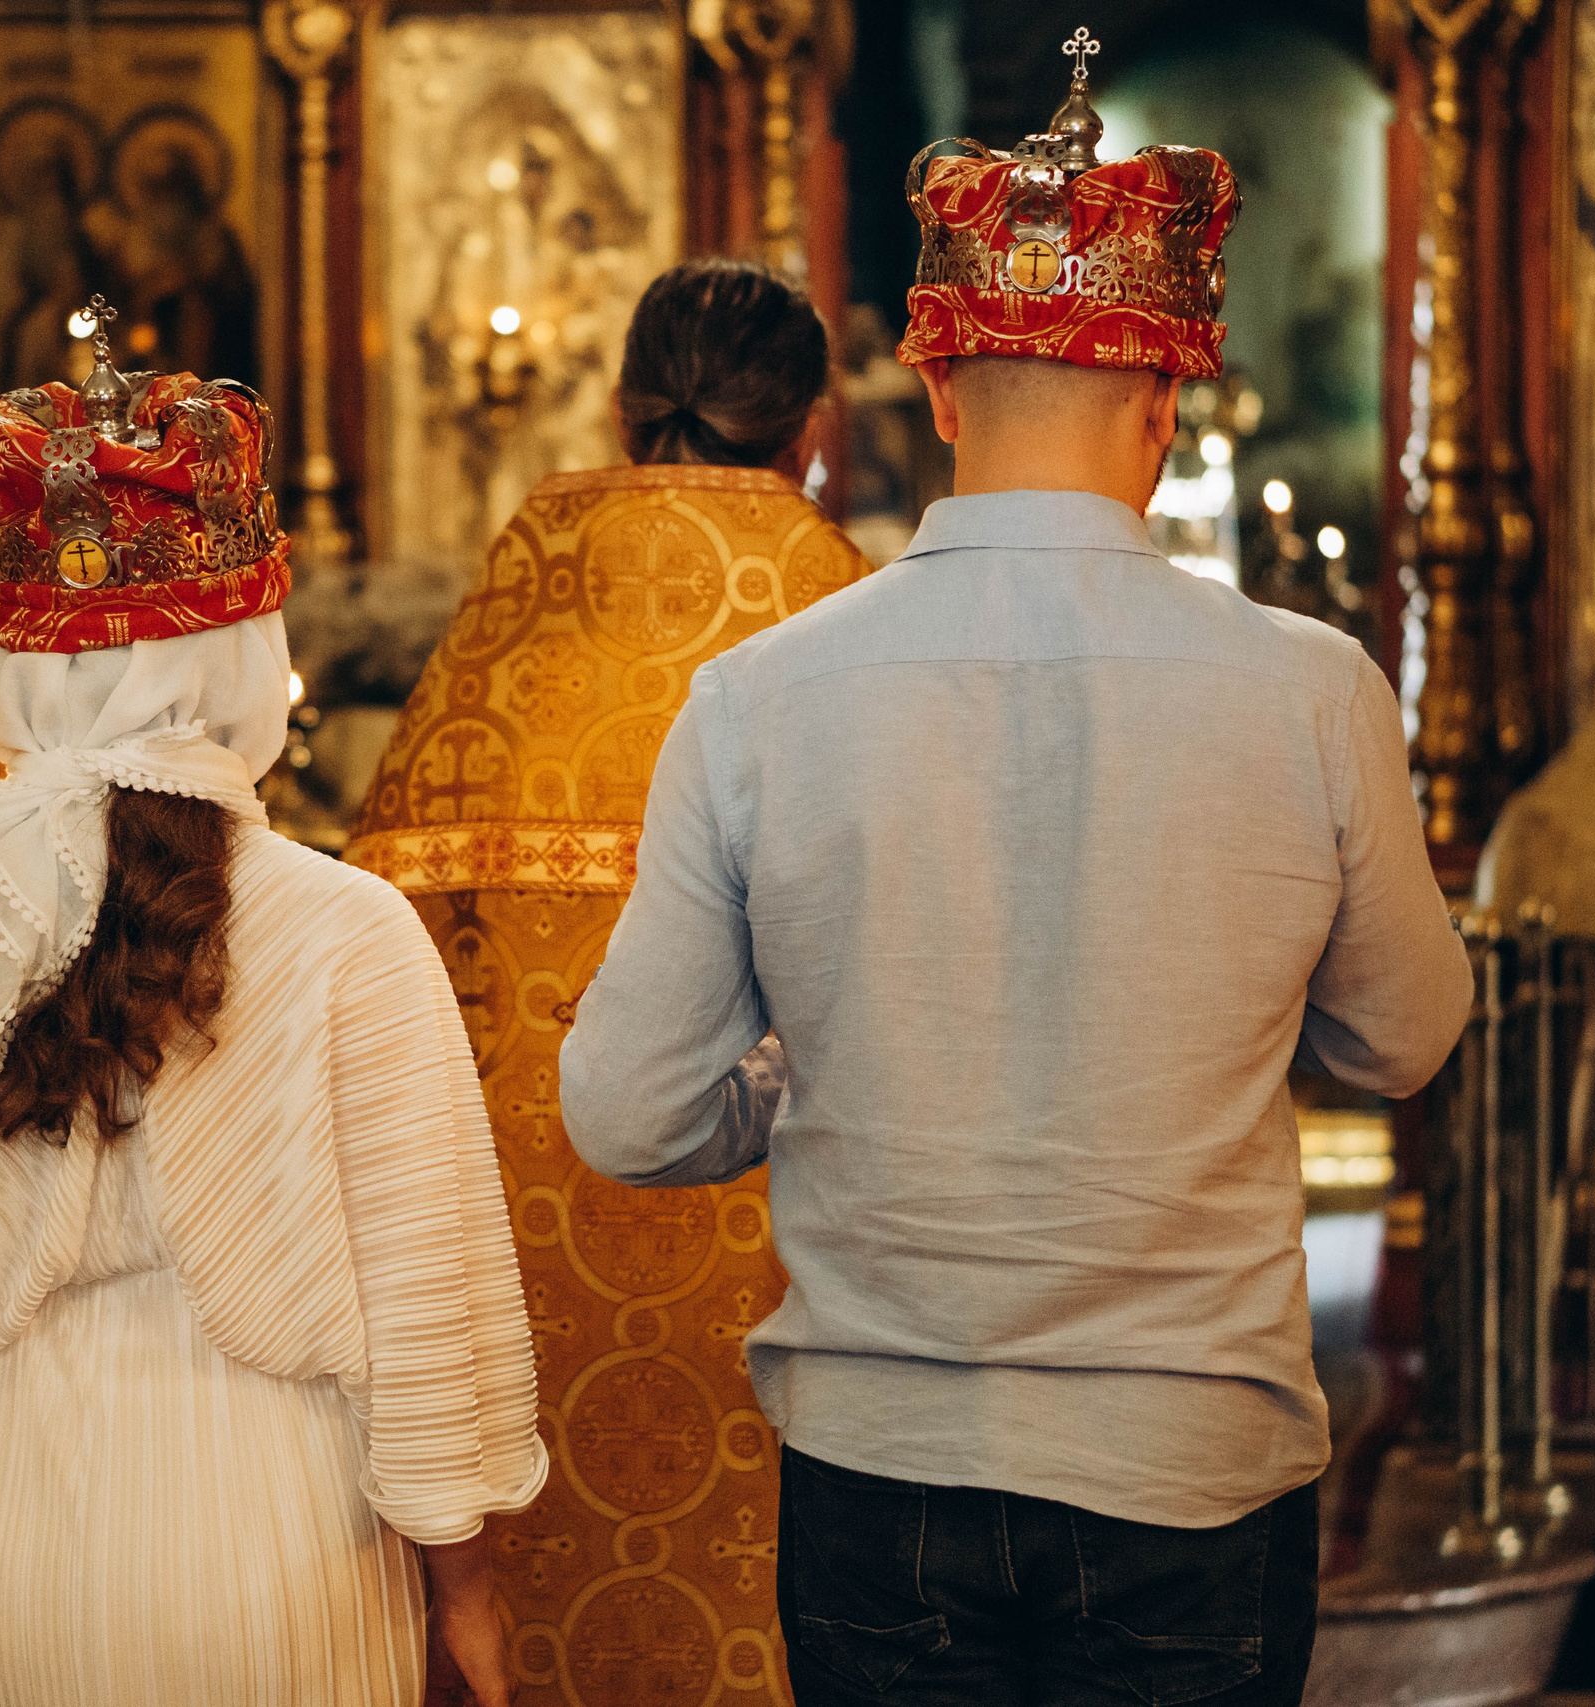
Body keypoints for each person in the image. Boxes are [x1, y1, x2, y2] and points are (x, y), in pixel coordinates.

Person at [557, 70, 1474, 1707]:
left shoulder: (763, 697)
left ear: (941, 392)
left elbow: (631, 1114)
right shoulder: (1312, 690)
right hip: (1194, 1454)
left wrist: (810, 1072)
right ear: (1167, 406)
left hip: (883, 1462)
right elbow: (1403, 1040)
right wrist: (1242, 1030)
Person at [0, 334, 545, 1707]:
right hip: (268, 1535)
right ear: (245, 650)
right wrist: (466, 1590)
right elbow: (424, 1299)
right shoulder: (347, 928)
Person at [343, 258, 867, 1683]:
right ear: (808, 426)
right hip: (774, 1234)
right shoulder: (850, 625)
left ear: (629, 410)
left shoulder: (508, 625)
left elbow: (368, 930)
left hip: (515, 1228)